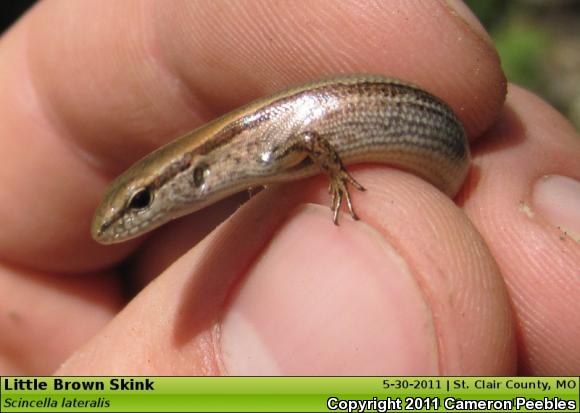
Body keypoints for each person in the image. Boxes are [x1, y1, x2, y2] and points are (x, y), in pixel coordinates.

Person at [0, 0, 578, 376]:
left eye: (142, 202)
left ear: (192, 175)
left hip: (433, 129)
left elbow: (311, 143)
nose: (132, 220)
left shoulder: (252, 152)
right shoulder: (240, 162)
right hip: (434, 161)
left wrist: (332, 173)